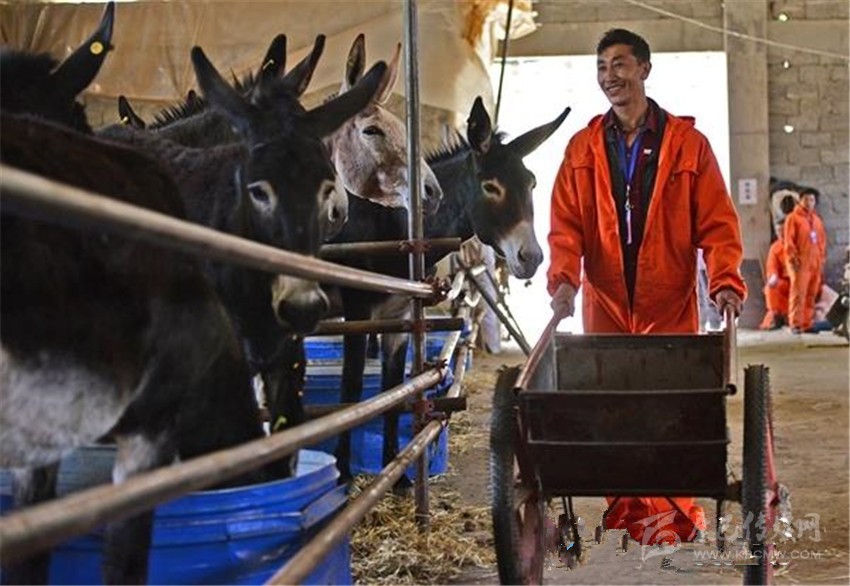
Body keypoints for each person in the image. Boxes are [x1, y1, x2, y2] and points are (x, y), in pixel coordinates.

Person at [547, 29, 747, 545]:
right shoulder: (582, 148)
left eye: (619, 64)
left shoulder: (688, 145)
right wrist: (564, 280)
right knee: (613, 405)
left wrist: (725, 281)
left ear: (644, 69)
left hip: (669, 300)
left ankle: (673, 514)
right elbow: (565, 226)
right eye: (601, 67)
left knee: (668, 406)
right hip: (606, 301)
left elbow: (718, 224)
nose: (609, 76)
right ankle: (628, 511)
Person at [784, 187, 827, 333]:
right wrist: (793, 259)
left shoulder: (817, 220)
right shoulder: (793, 218)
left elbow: (822, 241)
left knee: (811, 294)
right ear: (800, 200)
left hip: (815, 263)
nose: (809, 202)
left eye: (812, 200)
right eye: (806, 199)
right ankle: (795, 324)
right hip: (800, 263)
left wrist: (821, 259)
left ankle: (807, 323)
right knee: (798, 294)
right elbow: (789, 241)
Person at [759, 195, 796, 330]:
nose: (781, 234)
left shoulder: (798, 243)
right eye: (778, 231)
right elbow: (772, 266)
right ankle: (776, 316)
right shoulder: (775, 247)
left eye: (783, 231)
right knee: (771, 288)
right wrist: (773, 277)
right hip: (784, 282)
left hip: (799, 280)